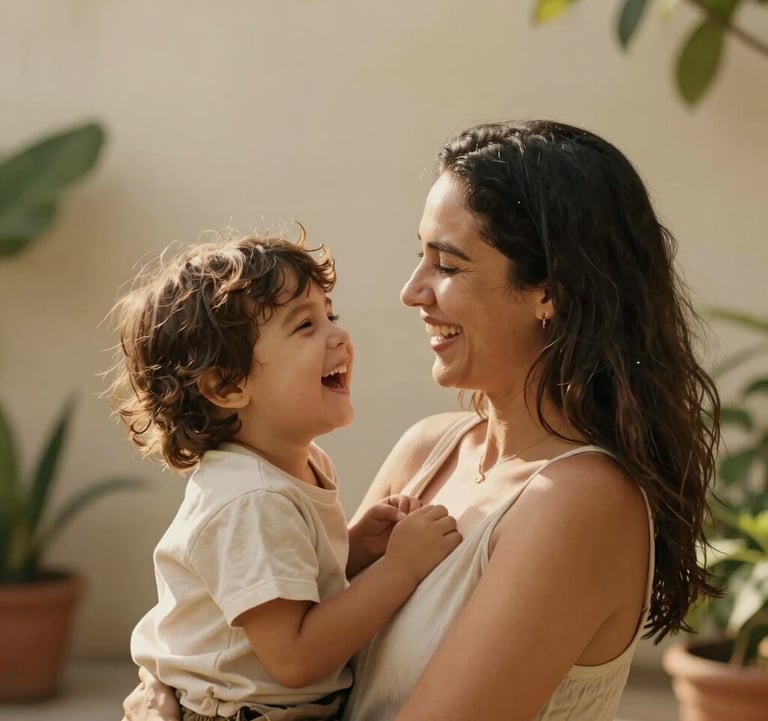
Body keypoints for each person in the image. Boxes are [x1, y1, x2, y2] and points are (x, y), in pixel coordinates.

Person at [121, 119, 720, 721]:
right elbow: (290, 628)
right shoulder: (425, 451)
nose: (412, 291)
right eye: (420, 256)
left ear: (550, 291)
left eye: (448, 265)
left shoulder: (578, 501)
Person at [109, 232, 462, 721]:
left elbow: (295, 586)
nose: (339, 336)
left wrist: (356, 548)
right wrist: (399, 569)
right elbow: (295, 656)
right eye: (305, 326)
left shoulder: (301, 464)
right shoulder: (249, 498)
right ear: (227, 384)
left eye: (329, 316)